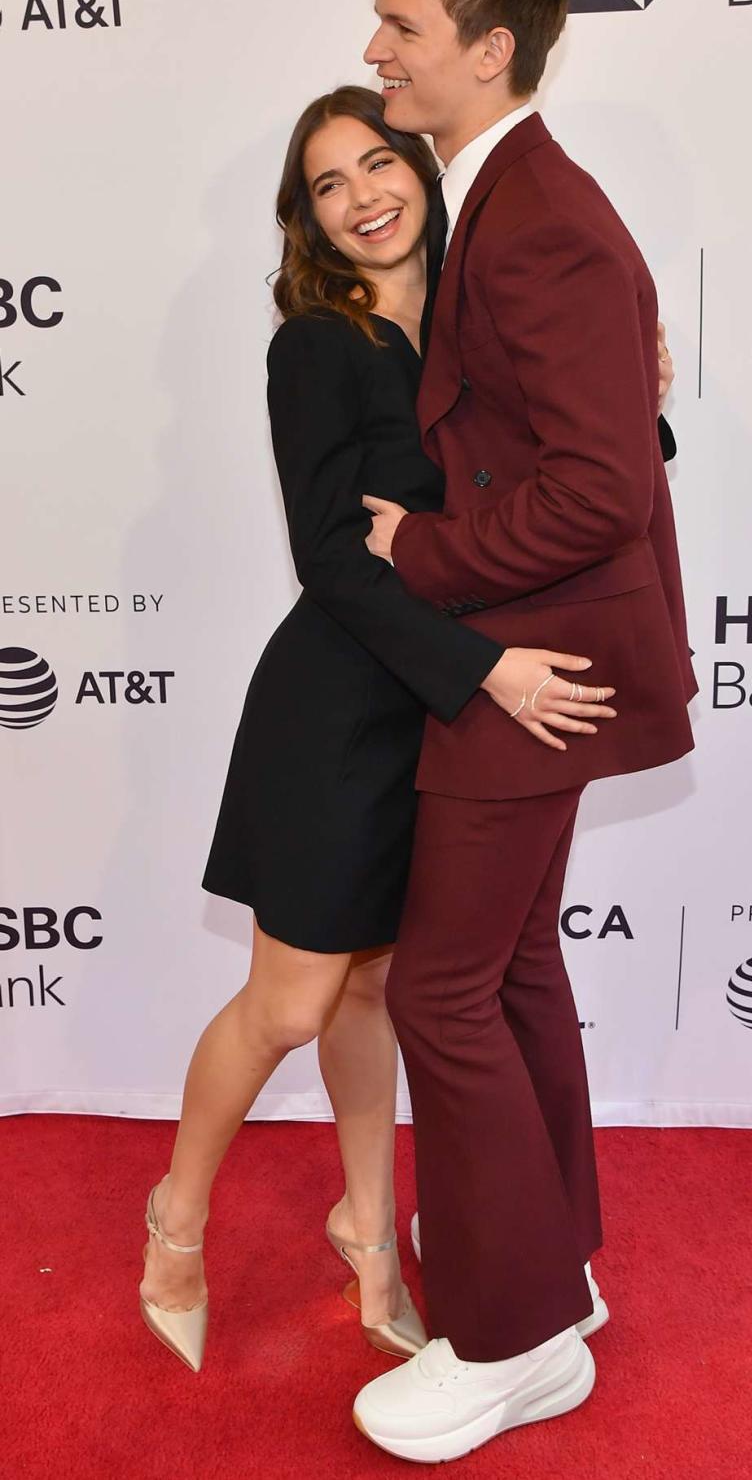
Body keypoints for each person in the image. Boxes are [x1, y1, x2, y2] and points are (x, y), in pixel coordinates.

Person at [137, 84, 618, 1374]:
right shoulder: (317, 346)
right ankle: (175, 1220)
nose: (362, 199)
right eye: (328, 186)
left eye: (376, 164)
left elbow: (562, 469)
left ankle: (370, 1229)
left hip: (444, 715)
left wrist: (654, 396)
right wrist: (485, 672)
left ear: (420, 163)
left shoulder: (476, 314)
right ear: (307, 220)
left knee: (384, 983)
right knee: (293, 998)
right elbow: (332, 563)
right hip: (341, 709)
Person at [351, 0, 697, 1463]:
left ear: (490, 49)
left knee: (441, 985)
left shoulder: (538, 211)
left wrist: (418, 554)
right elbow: (596, 438)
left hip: (535, 658)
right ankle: (553, 1285)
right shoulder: (509, 193)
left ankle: (507, 1339)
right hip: (545, 646)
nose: (377, 53)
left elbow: (599, 488)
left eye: (405, 27)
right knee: (511, 969)